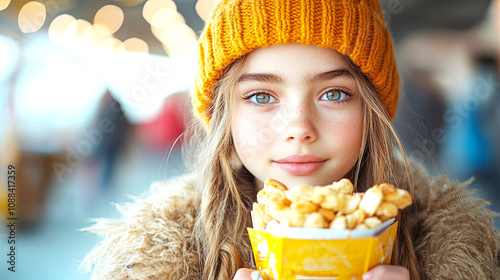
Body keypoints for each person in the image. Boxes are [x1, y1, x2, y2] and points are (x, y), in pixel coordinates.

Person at [80, 0, 500, 279]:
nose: (299, 127)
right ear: (225, 119)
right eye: (261, 96)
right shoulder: (149, 264)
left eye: (334, 93)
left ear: (370, 112)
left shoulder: (464, 257)